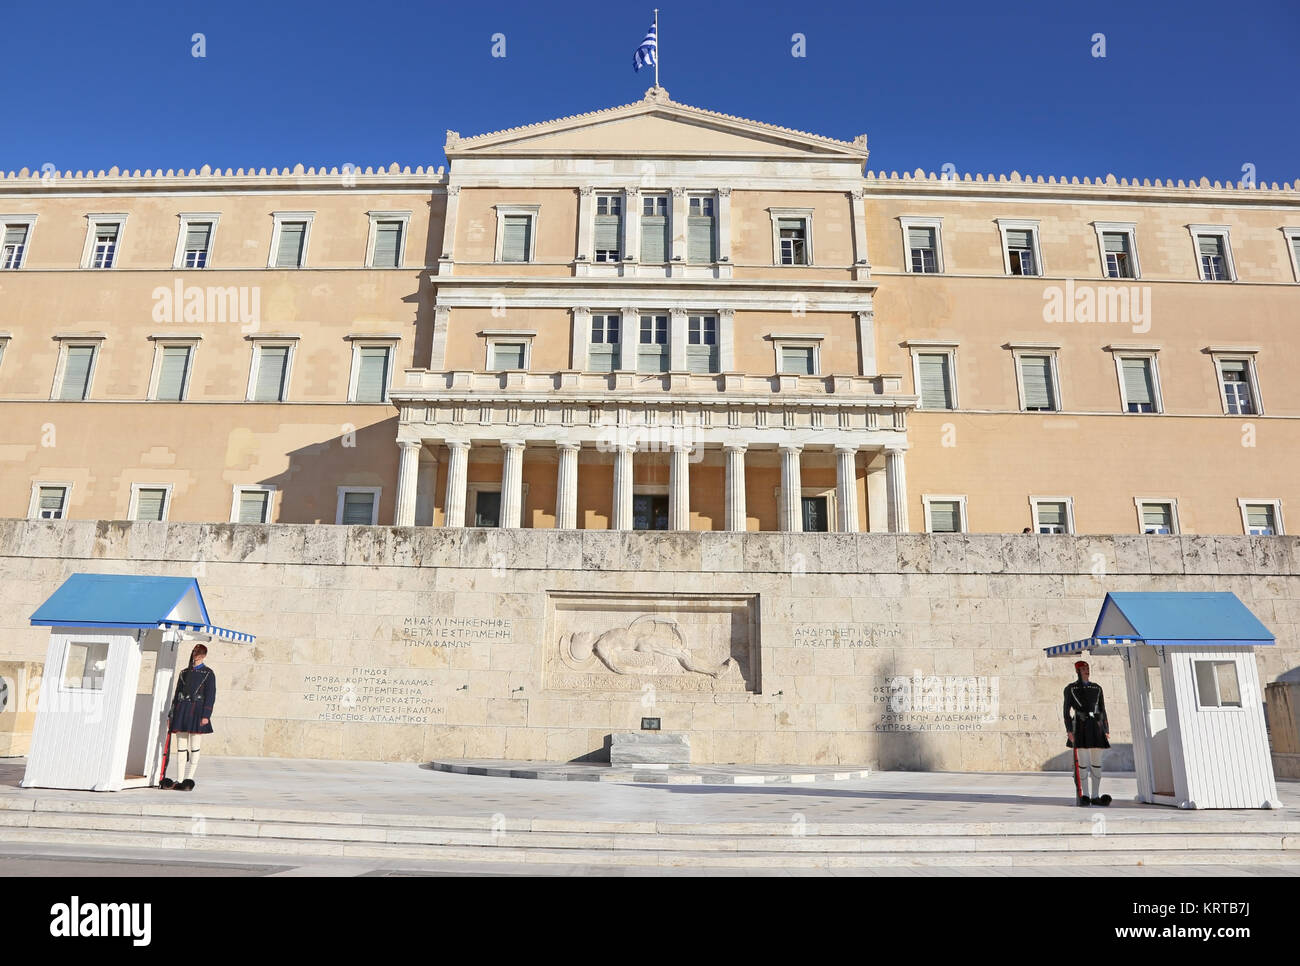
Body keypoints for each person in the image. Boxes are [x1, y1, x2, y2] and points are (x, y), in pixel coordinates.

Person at [161, 643, 216, 791]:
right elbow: (177, 695)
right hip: (182, 710)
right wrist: (171, 714)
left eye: (198, 654)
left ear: (204, 655)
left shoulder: (208, 673)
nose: (195, 656)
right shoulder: (184, 672)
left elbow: (210, 696)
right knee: (180, 747)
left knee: (195, 747)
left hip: (197, 711)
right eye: (194, 653)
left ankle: (189, 778)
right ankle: (179, 780)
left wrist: (206, 715)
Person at [1064, 659, 1110, 806]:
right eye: (1083, 669)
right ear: (1077, 671)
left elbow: (1102, 710)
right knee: (1082, 763)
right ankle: (1085, 794)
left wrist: (1106, 729)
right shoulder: (1071, 689)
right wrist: (1069, 730)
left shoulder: (1097, 688)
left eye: (1088, 668)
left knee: (1097, 763)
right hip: (1080, 726)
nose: (1087, 671)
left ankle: (1095, 795)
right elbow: (1066, 712)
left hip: (1096, 726)